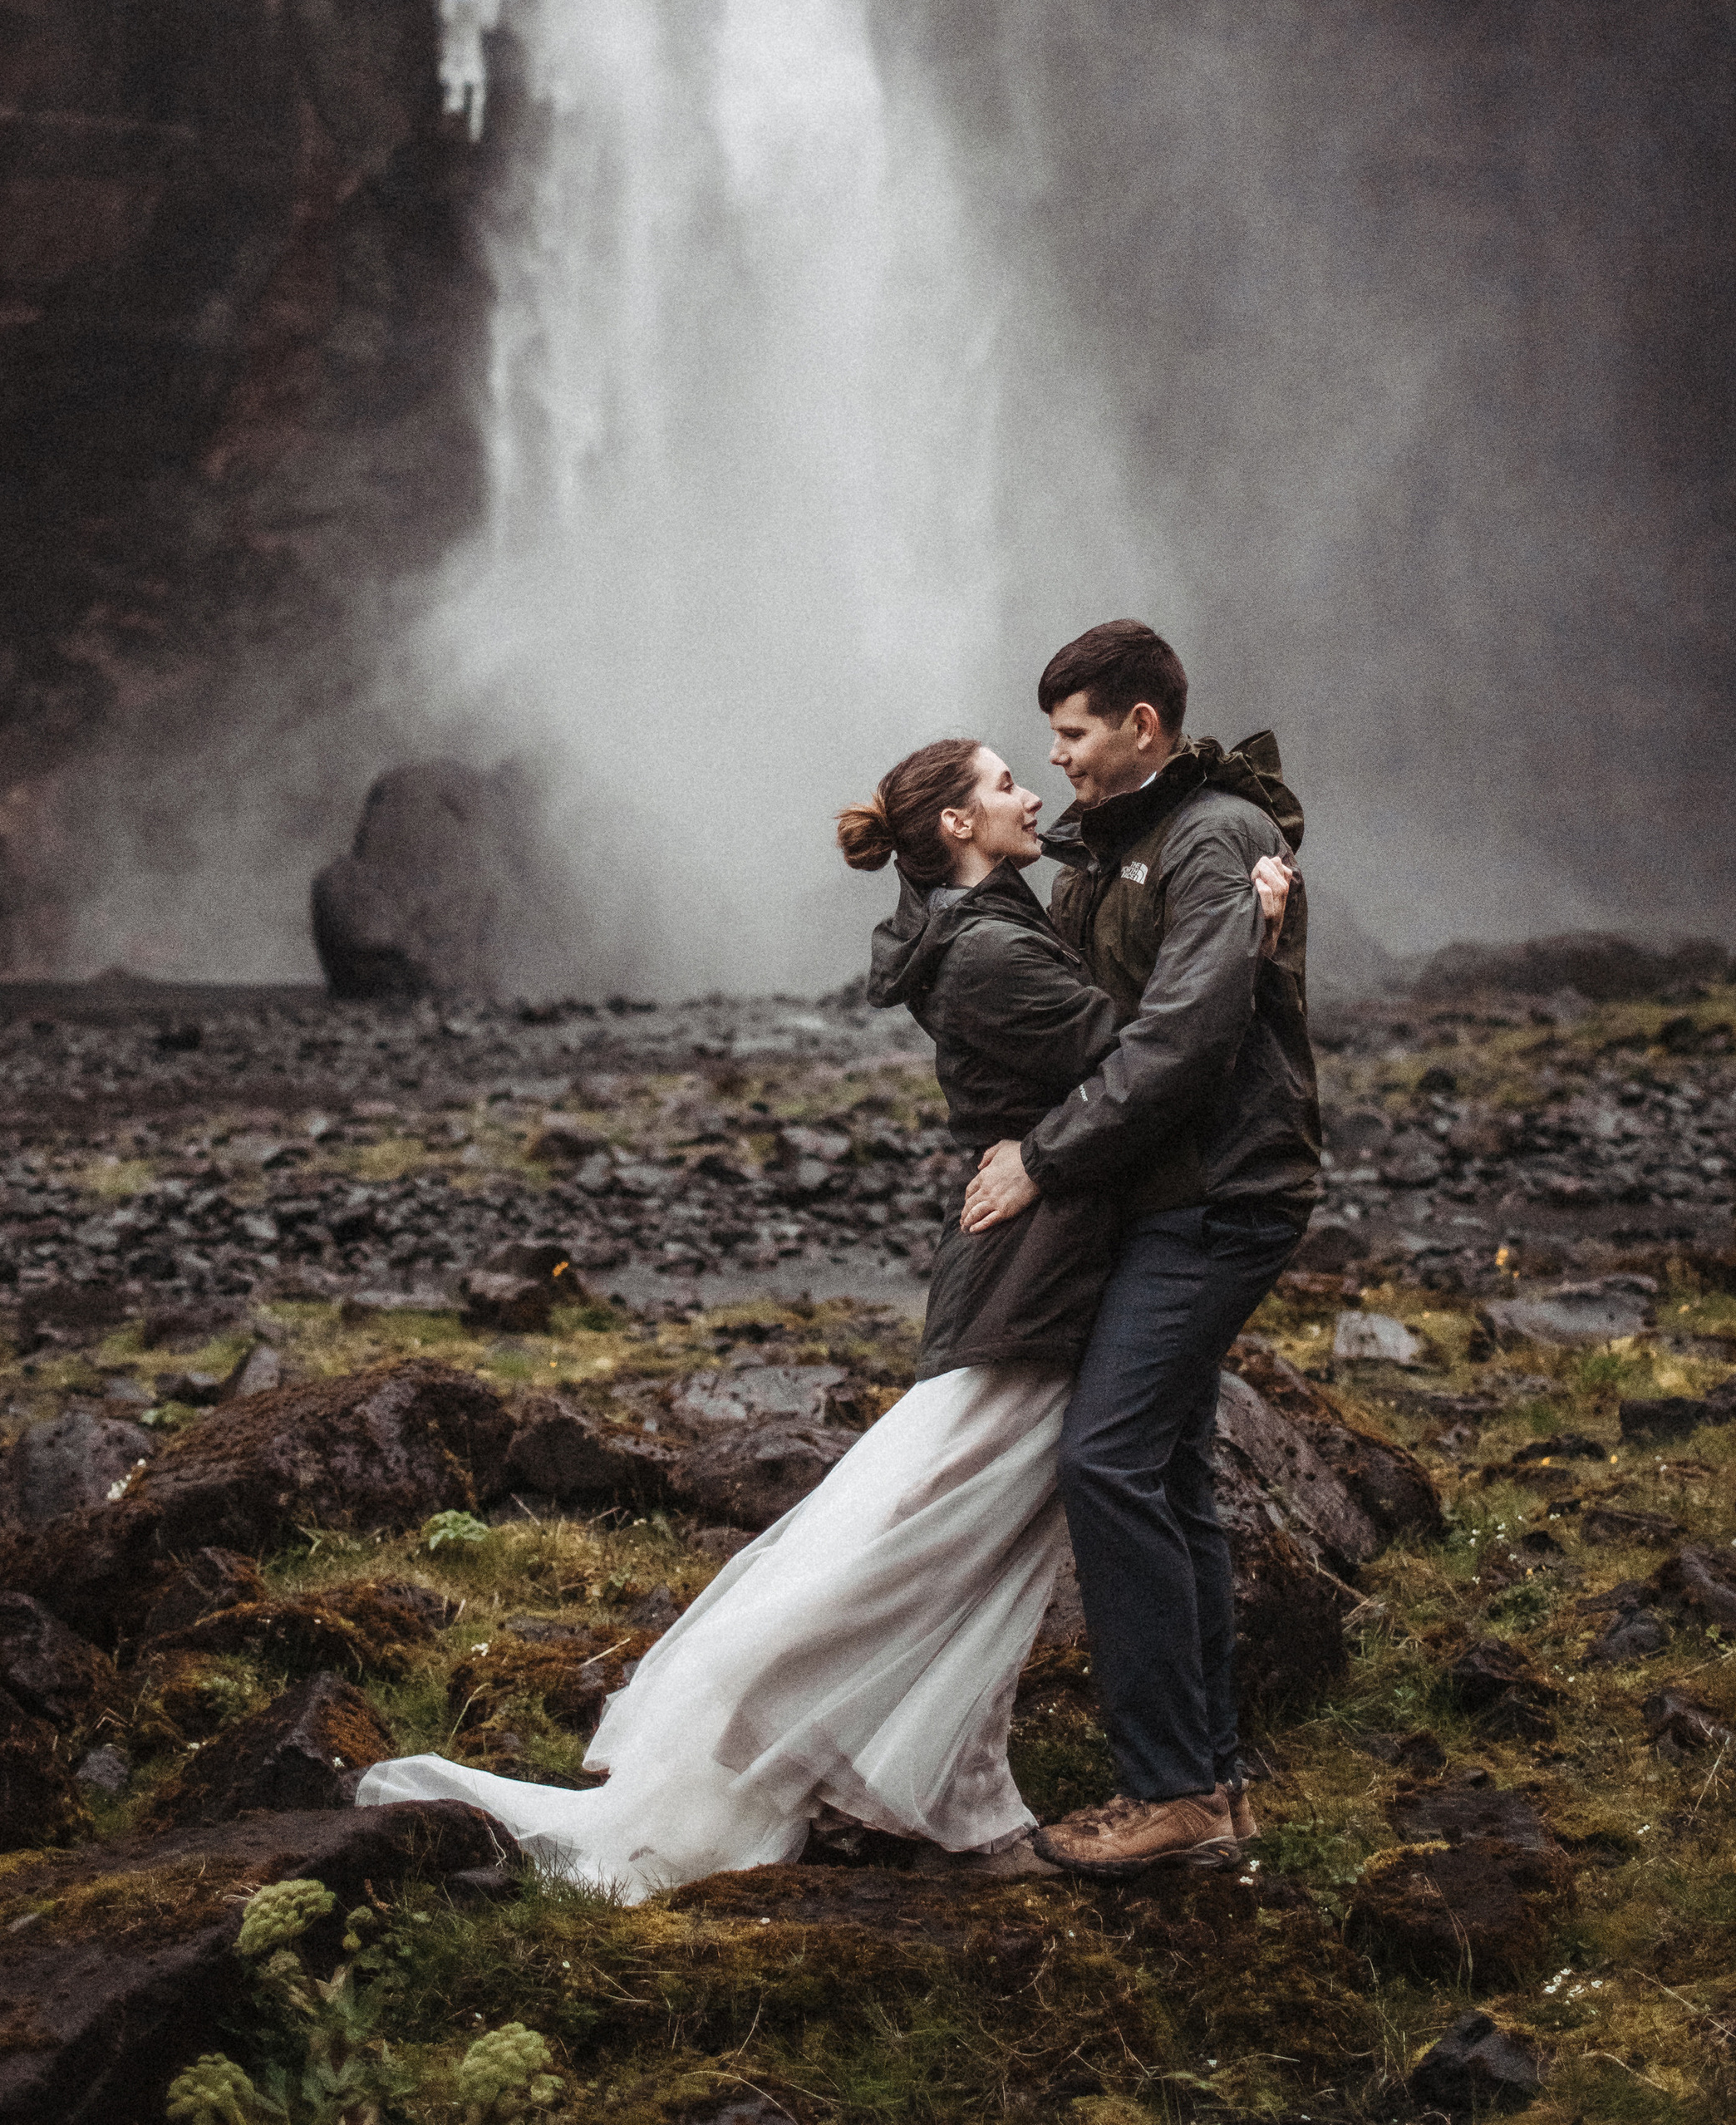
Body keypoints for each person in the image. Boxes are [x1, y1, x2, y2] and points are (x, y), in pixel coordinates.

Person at [355, 730, 1291, 1901]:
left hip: (1038, 1266)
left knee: (962, 1531)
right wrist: (1244, 940)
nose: (1034, 790)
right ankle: (756, 1715)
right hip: (1038, 1275)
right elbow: (1148, 1056)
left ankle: (941, 1776)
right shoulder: (993, 951)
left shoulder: (985, 925)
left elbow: (1123, 1014)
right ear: (955, 824)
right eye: (1008, 782)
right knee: (929, 1526)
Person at [959, 619, 1318, 1879]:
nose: (1055, 761)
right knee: (1163, 1473)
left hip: (1220, 1193)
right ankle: (1208, 1787)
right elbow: (1062, 987)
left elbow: (1182, 1042)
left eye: (1070, 735)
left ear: (1141, 728)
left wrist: (1045, 1159)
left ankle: (1169, 1791)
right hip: (1171, 1193)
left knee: (1106, 1461)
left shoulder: (1212, 838)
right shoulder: (1116, 845)